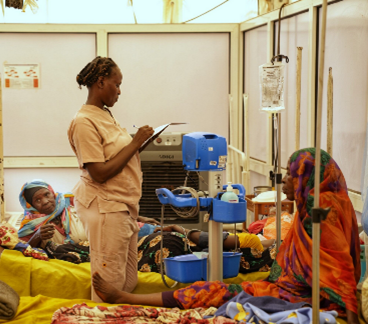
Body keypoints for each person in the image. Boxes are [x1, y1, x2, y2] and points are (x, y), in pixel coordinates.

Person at [91, 148, 361, 323]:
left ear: (307, 178)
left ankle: (126, 299)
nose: (285, 182)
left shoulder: (323, 210)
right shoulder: (315, 205)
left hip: (297, 296)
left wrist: (349, 314)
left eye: (291, 177)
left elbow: (339, 266)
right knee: (197, 270)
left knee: (208, 289)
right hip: (286, 285)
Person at [67, 56, 155, 302]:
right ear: (101, 82)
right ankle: (99, 317)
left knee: (128, 281)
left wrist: (140, 144)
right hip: (105, 206)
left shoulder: (104, 114)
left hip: (122, 205)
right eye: (117, 84)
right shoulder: (84, 122)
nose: (119, 91)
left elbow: (118, 156)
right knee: (110, 284)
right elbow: (100, 172)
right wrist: (135, 142)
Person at [137, 225, 276, 274]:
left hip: (166, 245)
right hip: (166, 246)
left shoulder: (253, 242)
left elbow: (208, 239)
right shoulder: (253, 244)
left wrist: (177, 228)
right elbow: (207, 239)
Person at [18, 180, 87, 245]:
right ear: (32, 206)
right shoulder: (30, 225)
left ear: (52, 193)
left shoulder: (71, 202)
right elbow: (22, 251)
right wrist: (37, 237)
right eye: (38, 200)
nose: (45, 202)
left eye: (47, 194)